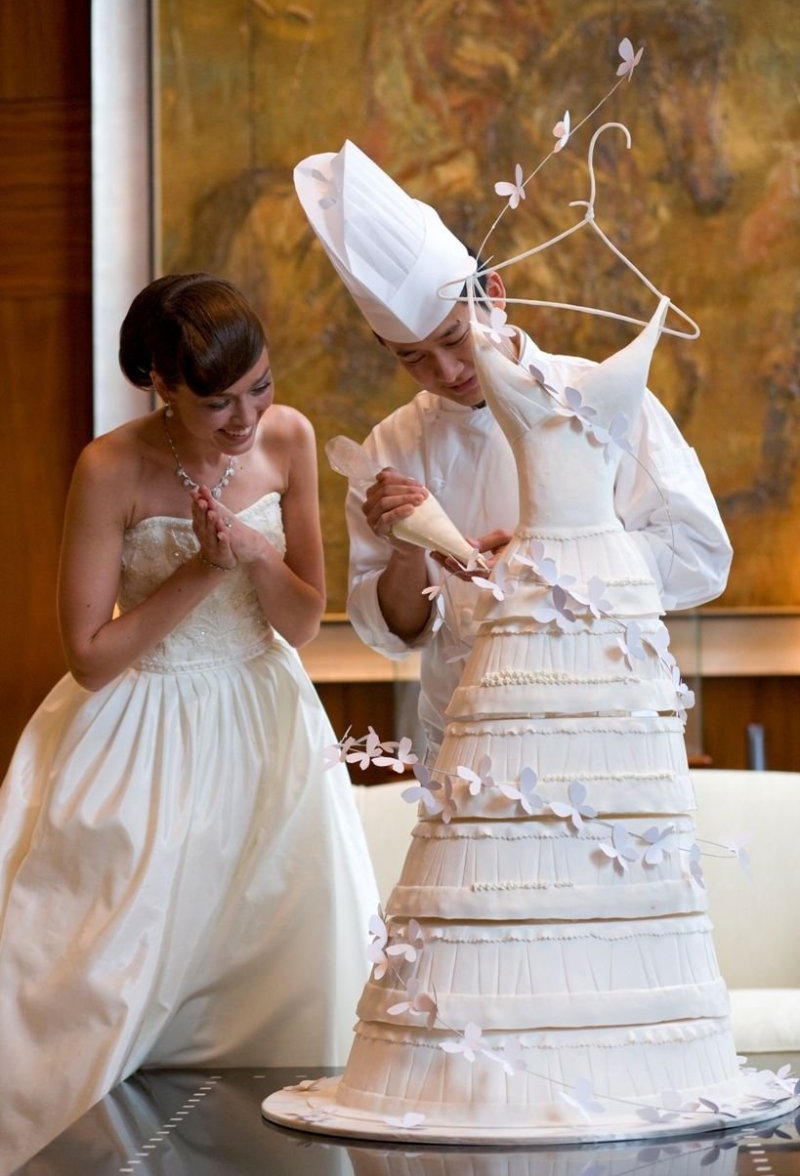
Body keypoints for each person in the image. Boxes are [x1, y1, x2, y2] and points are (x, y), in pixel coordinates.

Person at [0, 273, 378, 1170]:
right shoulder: (109, 467)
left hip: (267, 724)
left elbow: (301, 622)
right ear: (160, 385)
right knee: (104, 976)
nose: (246, 419)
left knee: (283, 961)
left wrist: (251, 554)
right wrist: (202, 571)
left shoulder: (288, 441)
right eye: (218, 403)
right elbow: (90, 655)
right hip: (141, 732)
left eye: (260, 387)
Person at [294, 141, 733, 762]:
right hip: (471, 737)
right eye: (413, 358)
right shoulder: (391, 445)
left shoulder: (599, 395)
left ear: (494, 293)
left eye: (454, 338)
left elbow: (699, 557)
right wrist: (406, 550)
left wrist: (546, 557)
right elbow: (395, 633)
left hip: (604, 714)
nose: (446, 371)